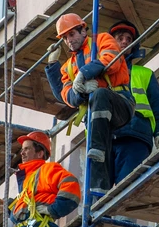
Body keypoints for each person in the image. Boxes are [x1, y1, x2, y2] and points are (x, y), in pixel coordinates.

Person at [44, 13, 135, 191]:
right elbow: (66, 95)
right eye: (64, 38)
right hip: (99, 118)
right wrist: (81, 91)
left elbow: (112, 59)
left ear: (83, 30)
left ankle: (97, 148)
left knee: (100, 94)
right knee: (97, 162)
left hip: (120, 103)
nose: (69, 40)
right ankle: (98, 201)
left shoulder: (101, 40)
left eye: (72, 34)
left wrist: (84, 73)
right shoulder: (67, 66)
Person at [0, 131, 80, 227]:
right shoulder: (27, 182)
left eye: (27, 149)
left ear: (40, 154)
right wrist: (8, 207)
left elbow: (70, 185)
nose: (22, 153)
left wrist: (53, 209)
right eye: (22, 150)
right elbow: (26, 212)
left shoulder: (47, 170)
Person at [108, 21, 159, 183]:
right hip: (105, 138)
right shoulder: (99, 73)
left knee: (124, 189)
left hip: (135, 136)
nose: (125, 41)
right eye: (120, 38)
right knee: (99, 196)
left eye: (129, 39)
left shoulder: (144, 74)